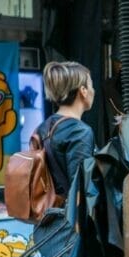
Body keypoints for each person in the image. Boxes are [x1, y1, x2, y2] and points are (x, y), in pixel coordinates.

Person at [38, 61, 96, 199]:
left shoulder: (43, 127)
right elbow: (81, 190)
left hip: (47, 215)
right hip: (69, 218)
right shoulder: (80, 132)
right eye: (91, 86)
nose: (93, 91)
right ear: (83, 91)